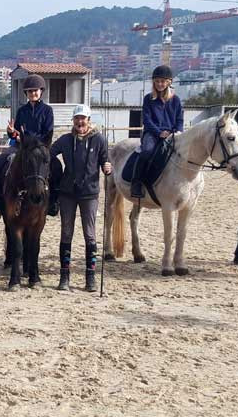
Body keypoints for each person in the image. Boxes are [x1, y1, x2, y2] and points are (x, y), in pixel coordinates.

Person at [50, 105, 112, 292]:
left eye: (83, 118)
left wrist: (107, 168)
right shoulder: (66, 140)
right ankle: (64, 276)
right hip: (68, 192)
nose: (80, 122)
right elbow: (49, 154)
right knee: (66, 233)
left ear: (88, 120)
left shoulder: (99, 140)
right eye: (76, 119)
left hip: (90, 193)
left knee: (90, 234)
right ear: (73, 121)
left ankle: (90, 277)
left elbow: (105, 161)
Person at [0, 74, 59, 216]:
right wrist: (11, 132)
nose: (33, 93)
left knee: (56, 165)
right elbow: (16, 132)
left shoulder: (47, 111)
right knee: (1, 160)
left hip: (40, 147)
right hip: (21, 146)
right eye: (30, 91)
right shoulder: (22, 111)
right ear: (26, 93)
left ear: (41, 91)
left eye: (35, 90)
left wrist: (28, 139)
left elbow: (48, 132)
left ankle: (54, 201)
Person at [126, 65, 183, 198]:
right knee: (146, 152)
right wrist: (159, 132)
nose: (159, 84)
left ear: (169, 82)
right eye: (157, 81)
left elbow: (179, 119)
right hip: (152, 133)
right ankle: (137, 182)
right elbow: (146, 120)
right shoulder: (148, 99)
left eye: (162, 81)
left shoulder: (176, 100)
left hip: (172, 134)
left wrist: (178, 131)